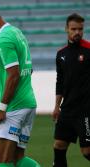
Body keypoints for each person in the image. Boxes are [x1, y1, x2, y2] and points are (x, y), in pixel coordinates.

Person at [0, 8, 40, 167]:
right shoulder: (17, 33)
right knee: (17, 159)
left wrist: (2, 108)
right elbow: (27, 69)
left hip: (14, 107)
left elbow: (14, 75)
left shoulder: (3, 40)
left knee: (2, 160)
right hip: (28, 103)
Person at [52, 13, 90, 167]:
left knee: (87, 152)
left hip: (86, 111)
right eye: (74, 29)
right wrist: (56, 106)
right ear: (66, 29)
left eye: (80, 29)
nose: (77, 32)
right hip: (67, 109)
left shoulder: (88, 50)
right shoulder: (61, 54)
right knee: (59, 146)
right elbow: (60, 82)